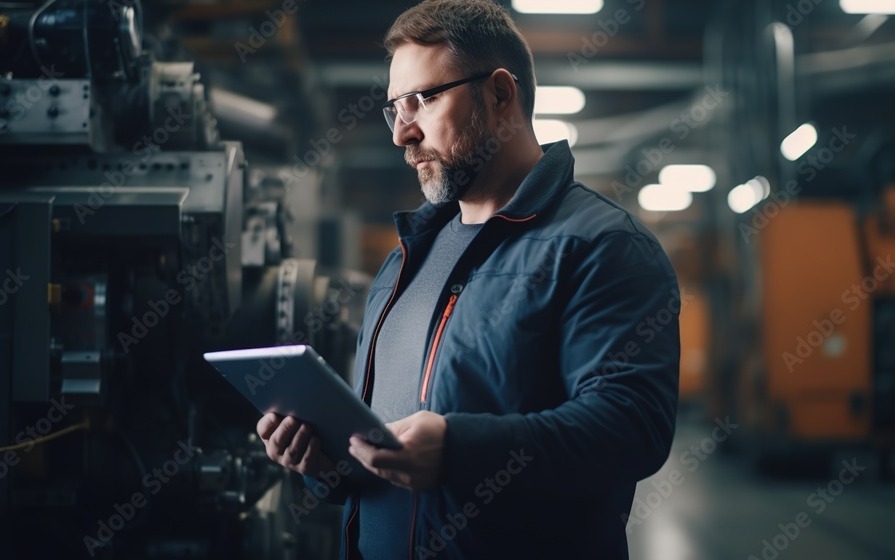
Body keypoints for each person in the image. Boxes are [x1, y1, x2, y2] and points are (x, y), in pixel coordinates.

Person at [257, 1, 681, 558]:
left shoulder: (601, 245)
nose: (401, 134)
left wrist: (462, 449)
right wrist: (327, 464)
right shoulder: (402, 264)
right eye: (394, 109)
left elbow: (631, 428)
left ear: (500, 95)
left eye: (424, 100)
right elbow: (382, 456)